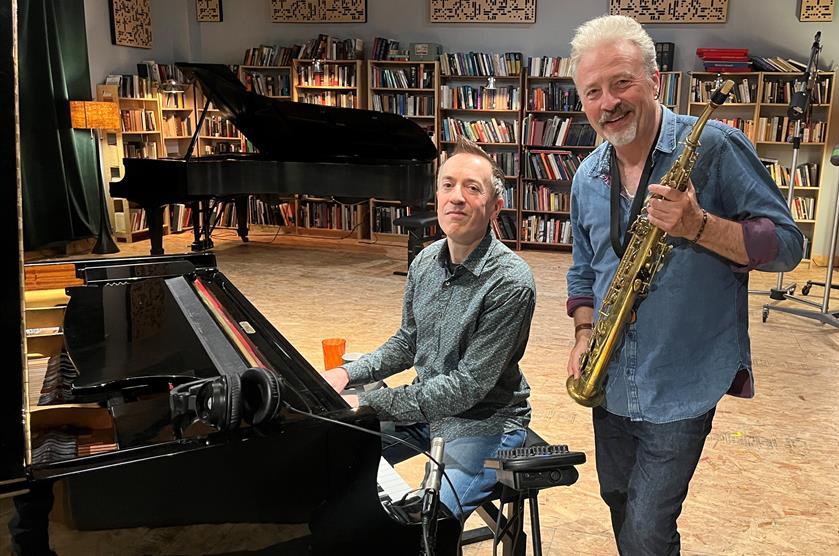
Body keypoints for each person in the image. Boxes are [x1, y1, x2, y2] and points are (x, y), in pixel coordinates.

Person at [565, 15, 804, 555]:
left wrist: (700, 226)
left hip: (683, 382)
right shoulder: (587, 176)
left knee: (648, 529)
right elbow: (583, 269)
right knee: (621, 505)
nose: (608, 103)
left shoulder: (716, 147)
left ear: (654, 79)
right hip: (611, 379)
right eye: (593, 91)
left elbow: (789, 244)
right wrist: (583, 334)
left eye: (621, 82)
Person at [320, 137, 535, 521]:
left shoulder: (511, 282)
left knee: (425, 525)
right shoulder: (424, 263)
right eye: (448, 184)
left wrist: (369, 403)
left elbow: (467, 386)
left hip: (484, 423)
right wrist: (346, 373)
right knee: (332, 454)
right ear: (436, 195)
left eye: (473, 188)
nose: (456, 197)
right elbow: (408, 342)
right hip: (425, 412)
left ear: (494, 207)